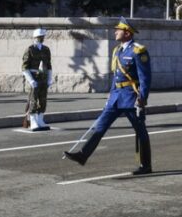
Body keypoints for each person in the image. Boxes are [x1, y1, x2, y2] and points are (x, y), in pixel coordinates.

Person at [64, 17, 153, 175]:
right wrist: (110, 96)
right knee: (101, 126)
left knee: (140, 131)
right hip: (116, 97)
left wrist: (142, 99)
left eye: (119, 29)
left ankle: (146, 166)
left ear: (127, 33)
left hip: (132, 97)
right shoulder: (117, 50)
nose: (116, 31)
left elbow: (145, 77)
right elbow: (116, 76)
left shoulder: (138, 50)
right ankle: (83, 155)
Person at [22, 28, 53, 131]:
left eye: (42, 37)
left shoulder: (46, 49)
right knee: (33, 100)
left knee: (43, 100)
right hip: (34, 77)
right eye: (39, 37)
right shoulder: (30, 49)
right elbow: (24, 68)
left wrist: (49, 78)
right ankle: (33, 121)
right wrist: (31, 80)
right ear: (35, 38)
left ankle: (40, 120)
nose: (41, 39)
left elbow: (48, 66)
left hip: (43, 77)